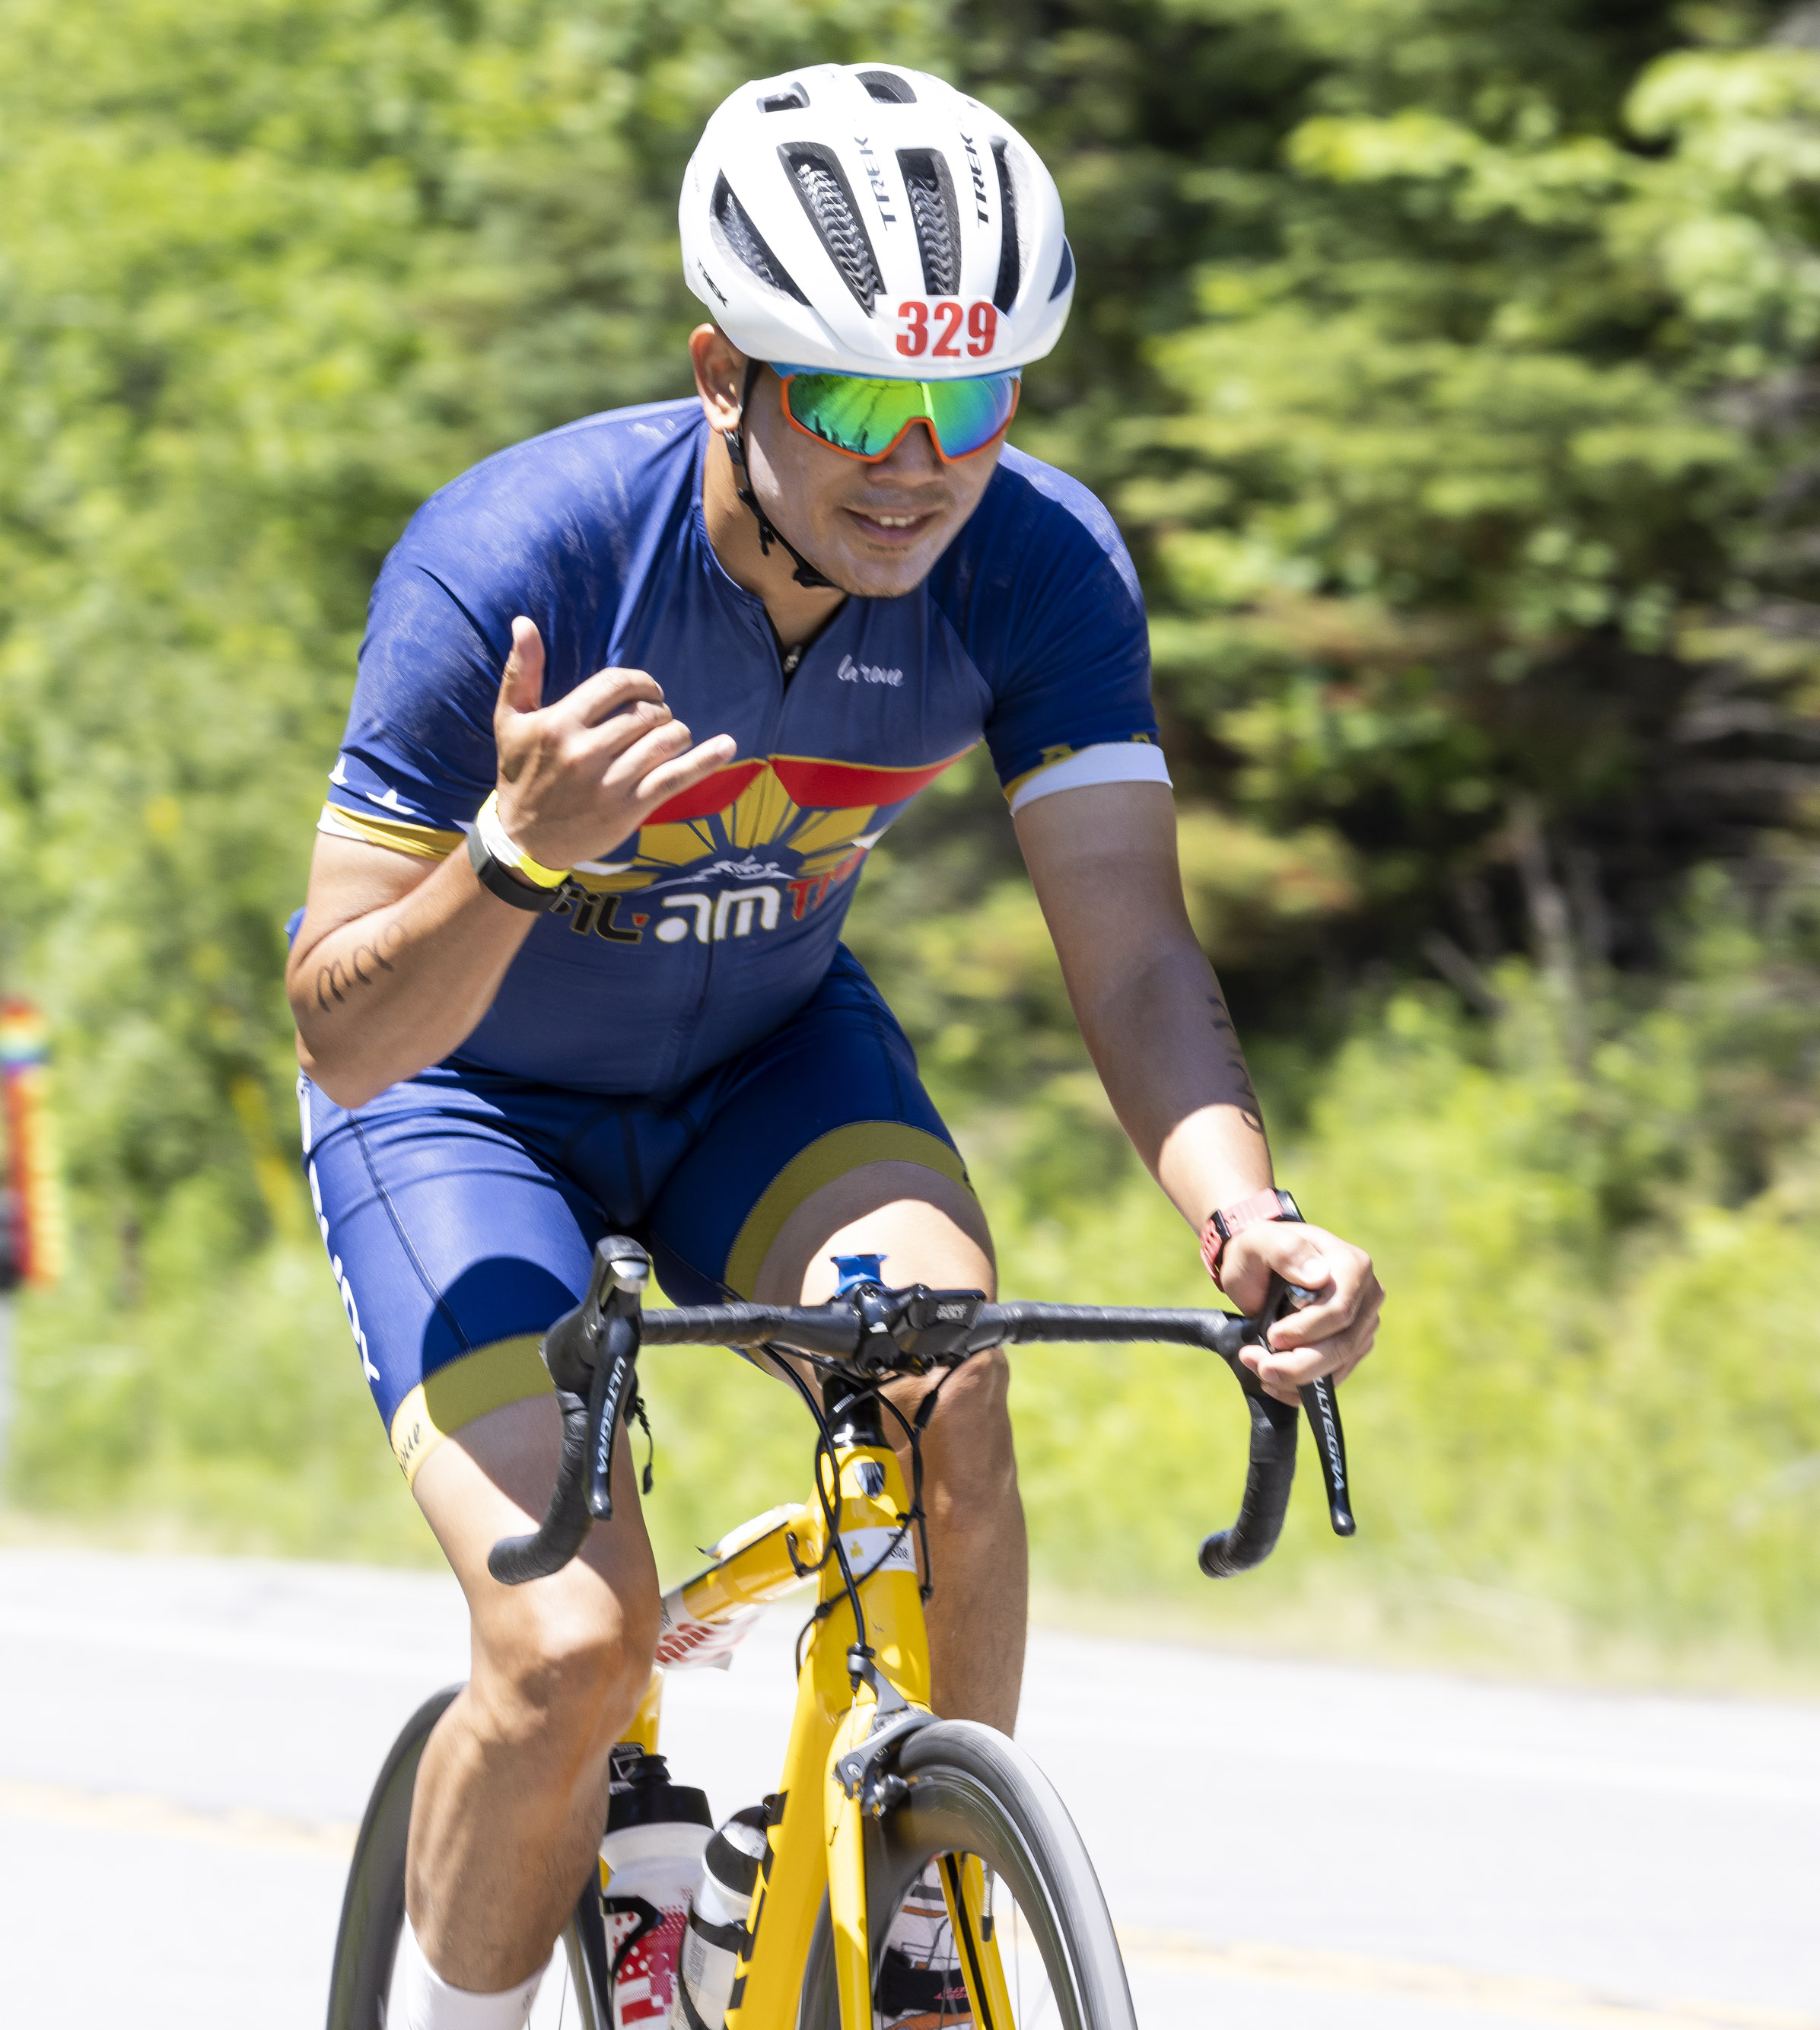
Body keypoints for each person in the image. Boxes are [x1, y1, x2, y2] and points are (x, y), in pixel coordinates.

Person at [285, 61, 1386, 2030]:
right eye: (863, 402)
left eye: (971, 401)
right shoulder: (517, 557)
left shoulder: (1034, 561)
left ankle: (907, 1927)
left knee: (948, 1378)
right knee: (565, 1640)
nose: (921, 459)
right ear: (727, 371)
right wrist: (515, 858)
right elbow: (343, 1022)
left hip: (767, 1069)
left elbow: (1131, 947)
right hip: (461, 1098)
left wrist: (1247, 1210)